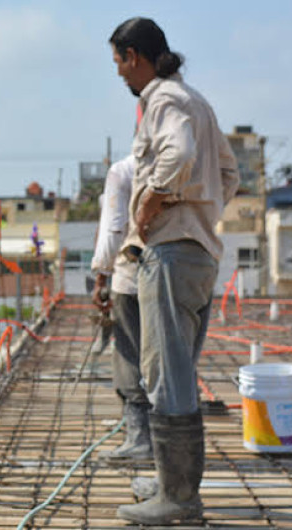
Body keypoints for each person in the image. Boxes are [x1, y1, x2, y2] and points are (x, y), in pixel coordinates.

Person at [108, 17, 239, 525]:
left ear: (134, 56)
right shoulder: (196, 100)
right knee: (176, 372)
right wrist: (199, 210)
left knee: (166, 377)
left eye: (119, 62)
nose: (120, 74)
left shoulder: (161, 98)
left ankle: (179, 500)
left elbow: (179, 155)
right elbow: (228, 173)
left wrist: (153, 206)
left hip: (170, 252)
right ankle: (169, 485)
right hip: (199, 250)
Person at [90, 154, 151, 463]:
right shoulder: (192, 164)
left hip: (134, 280)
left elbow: (113, 231)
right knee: (172, 358)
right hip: (187, 277)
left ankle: (140, 438)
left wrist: (101, 276)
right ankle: (170, 446)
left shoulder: (124, 171)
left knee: (130, 356)